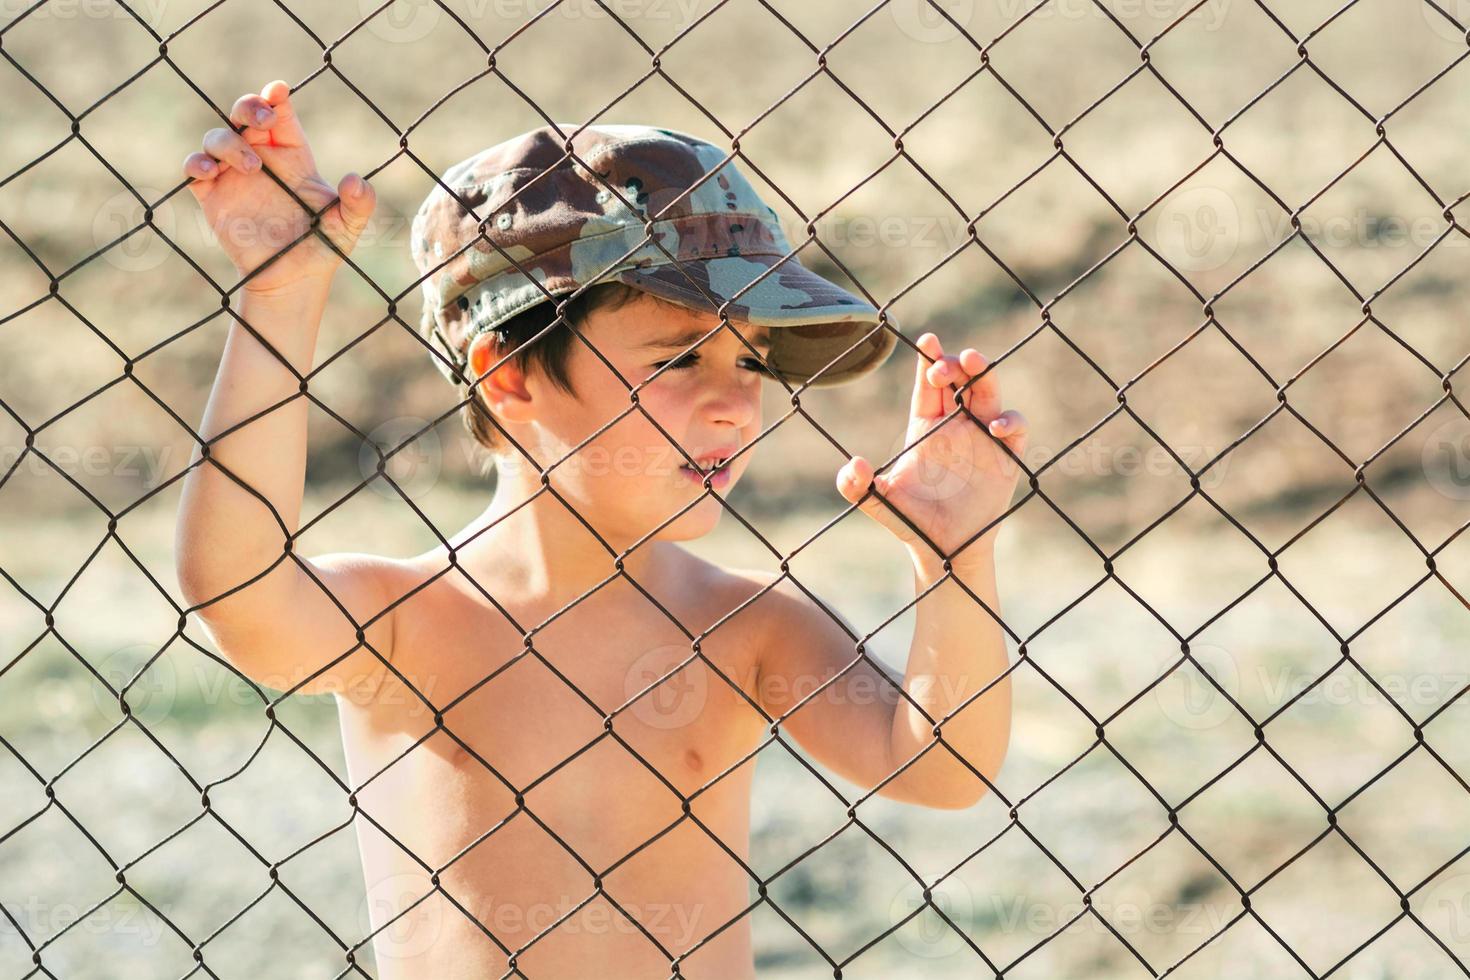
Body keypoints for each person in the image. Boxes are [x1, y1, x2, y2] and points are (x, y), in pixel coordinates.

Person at [174, 78, 1029, 980]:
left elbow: (940, 770)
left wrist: (954, 561)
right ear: (505, 374)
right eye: (680, 357)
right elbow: (237, 587)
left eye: (751, 360)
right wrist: (282, 294)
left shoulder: (749, 627)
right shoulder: (402, 620)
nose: (735, 404)